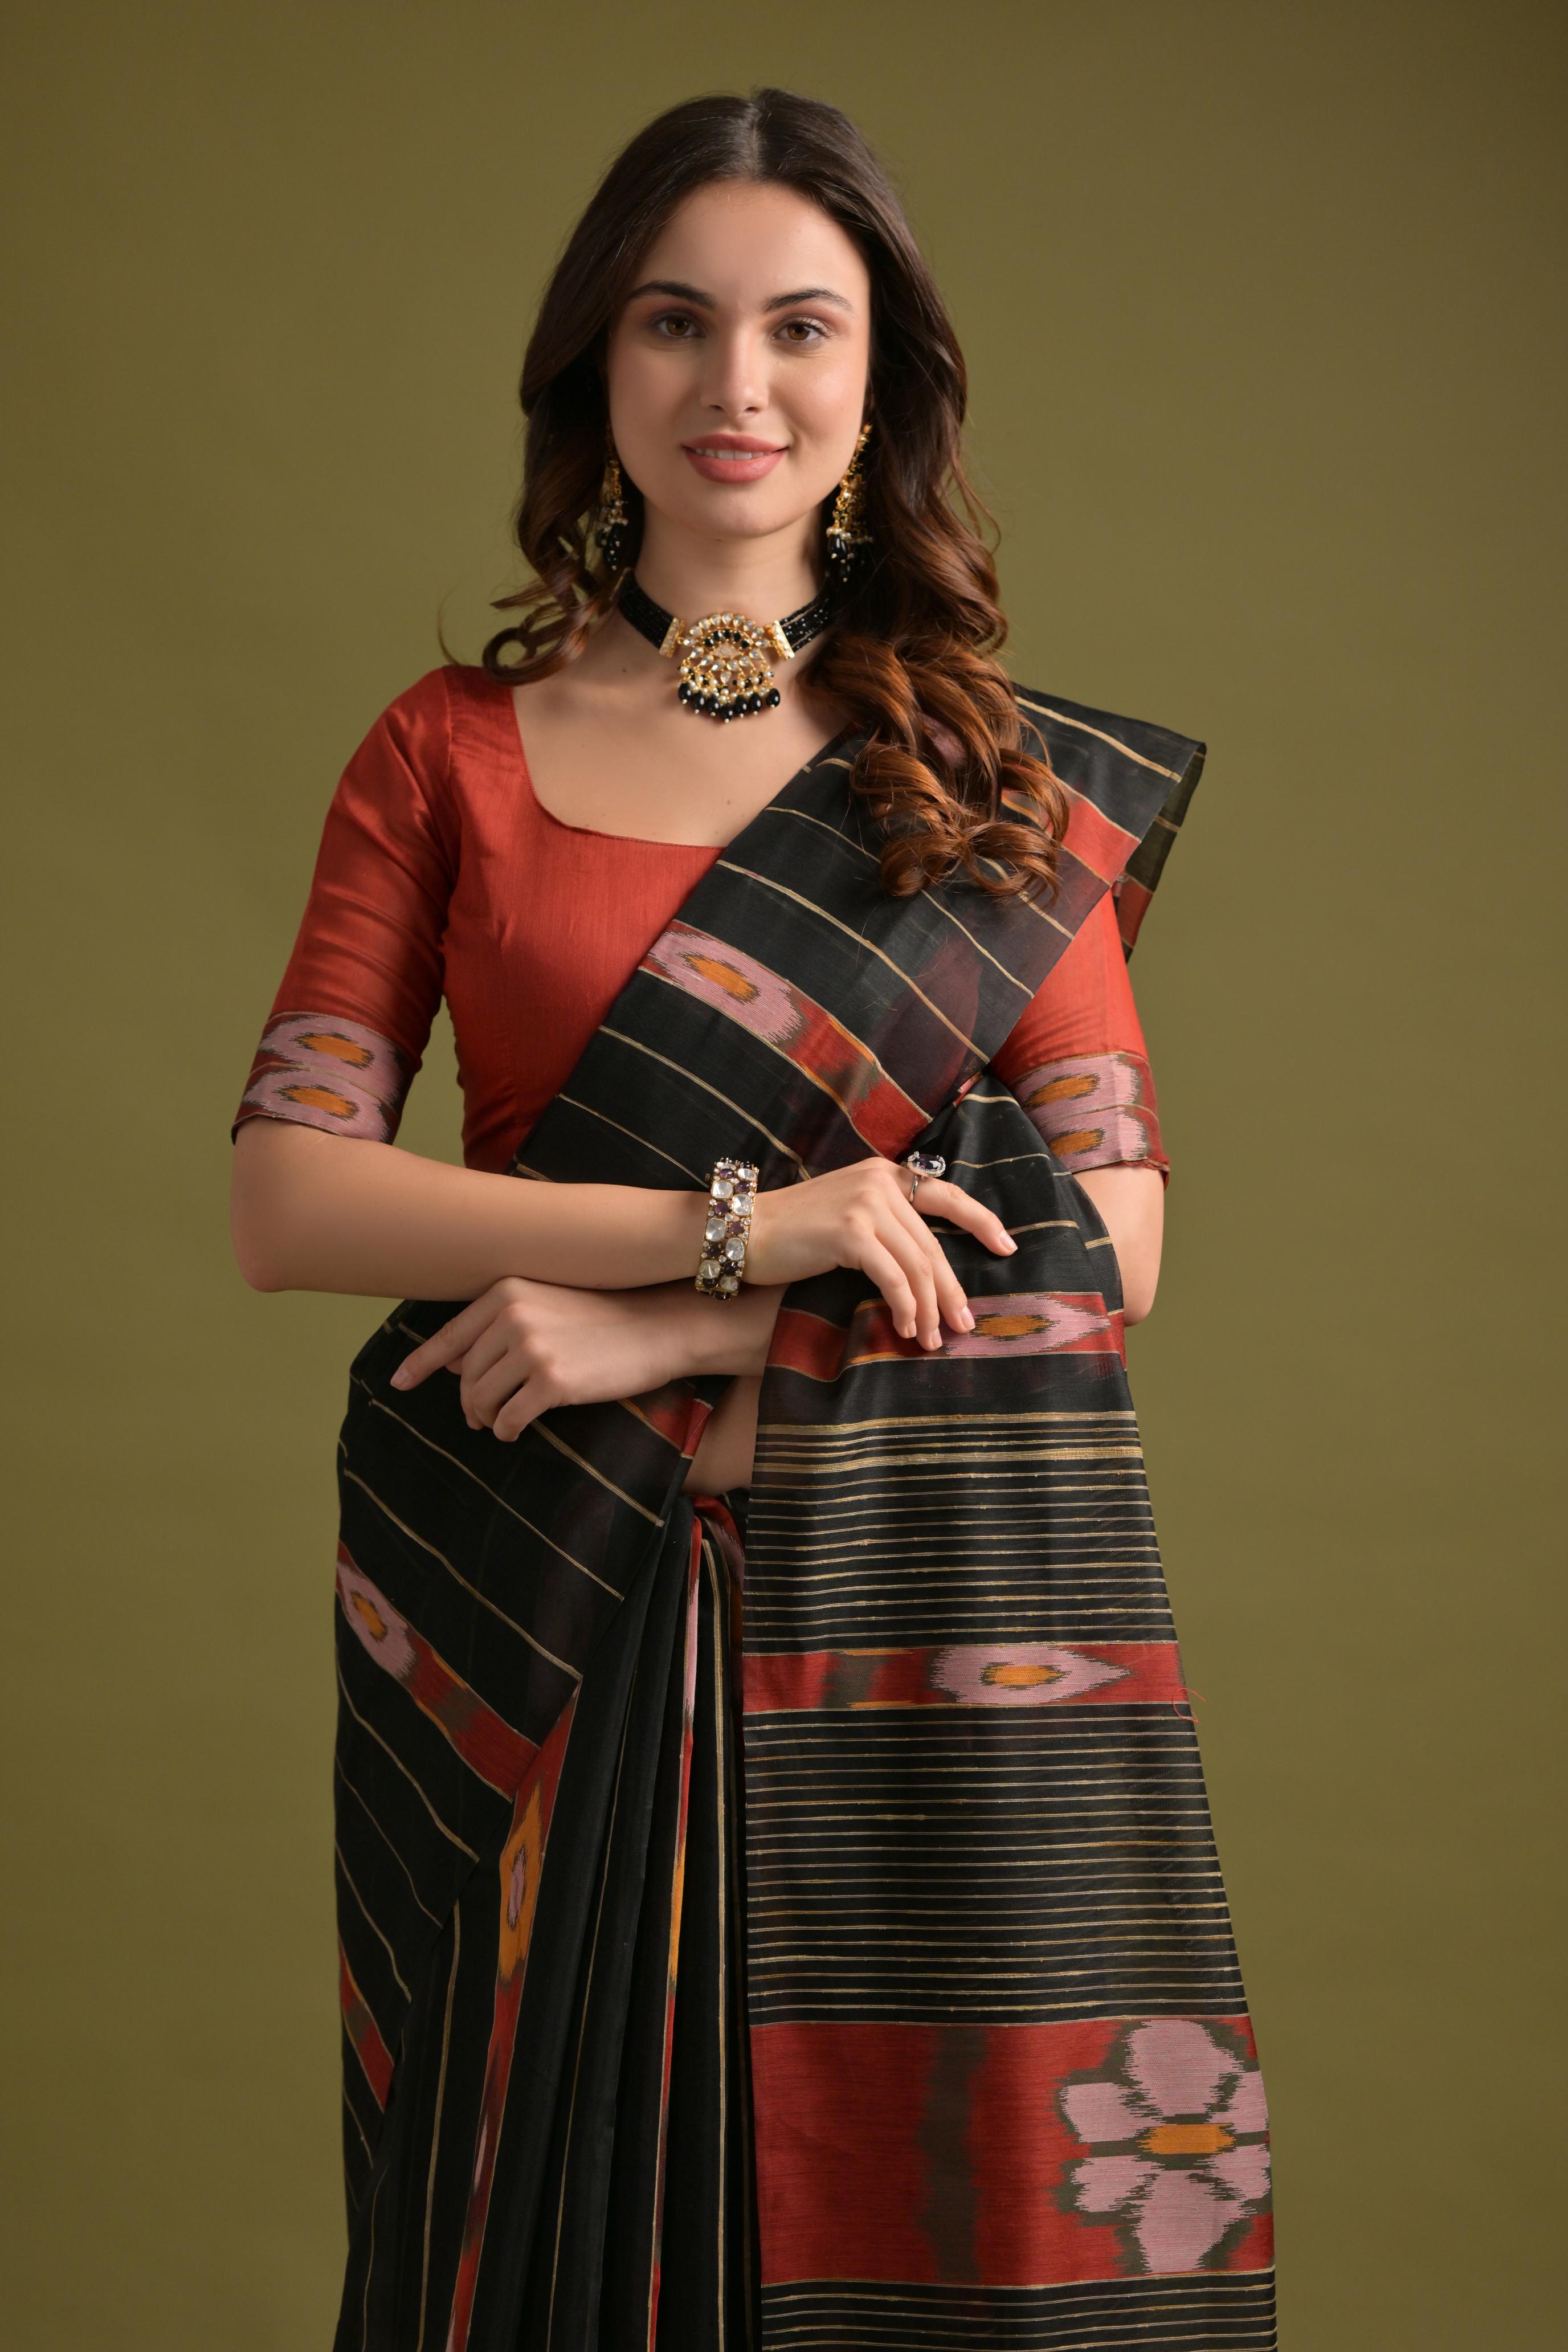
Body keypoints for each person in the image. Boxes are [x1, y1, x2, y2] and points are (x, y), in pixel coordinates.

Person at [231, 86, 1275, 2352]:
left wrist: (683, 1325)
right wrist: (743, 1232)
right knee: (524, 2246)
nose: (737, 382)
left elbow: (1111, 1241)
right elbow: (291, 1195)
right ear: (594, 370)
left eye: (802, 328)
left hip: (883, 1595)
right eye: (673, 321)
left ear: (879, 391)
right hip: (526, 1599)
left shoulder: (993, 784)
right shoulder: (447, 751)